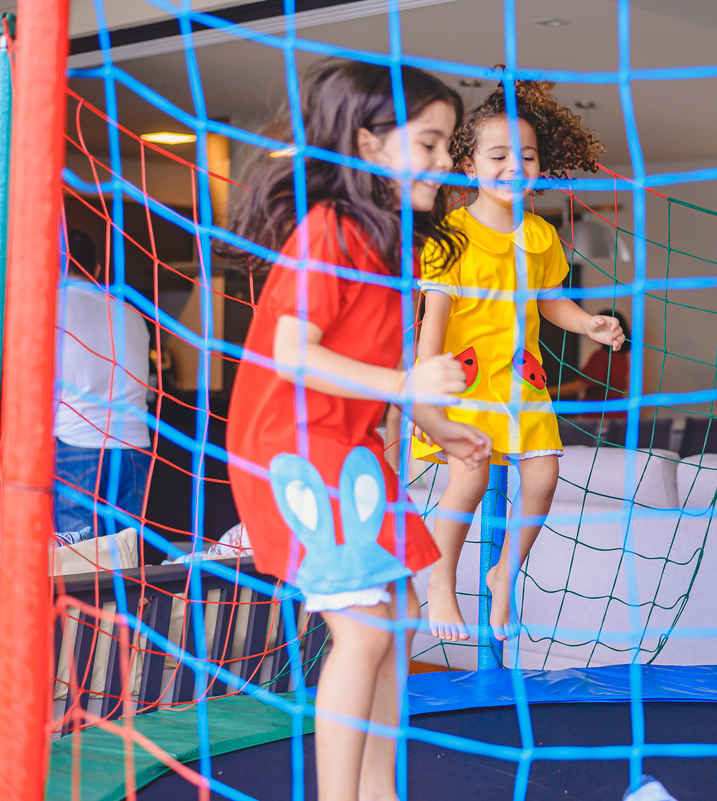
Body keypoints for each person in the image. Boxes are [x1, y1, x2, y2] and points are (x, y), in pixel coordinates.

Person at [221, 60, 490, 801]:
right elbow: (292, 352)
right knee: (366, 630)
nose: (445, 161)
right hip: (293, 448)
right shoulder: (330, 229)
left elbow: (381, 361)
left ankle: (379, 791)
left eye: (447, 145)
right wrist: (407, 388)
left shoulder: (392, 243)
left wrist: (435, 421)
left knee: (399, 622)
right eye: (428, 143)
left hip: (350, 447)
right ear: (369, 145)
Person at [413, 79, 624, 642]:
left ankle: (505, 572)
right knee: (470, 475)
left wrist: (588, 324)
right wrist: (425, 391)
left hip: (521, 380)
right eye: (499, 155)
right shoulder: (450, 237)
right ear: (468, 165)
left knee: (544, 475)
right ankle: (441, 582)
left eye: (526, 156)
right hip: (464, 380)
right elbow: (434, 318)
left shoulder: (542, 236)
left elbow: (551, 302)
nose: (514, 167)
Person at [53, 227, 152, 538]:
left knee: (79, 557)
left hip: (77, 443)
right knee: (126, 553)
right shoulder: (131, 312)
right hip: (135, 447)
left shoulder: (51, 305)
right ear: (96, 269)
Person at [554, 308, 630, 418]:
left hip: (598, 416)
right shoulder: (622, 357)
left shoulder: (600, 356)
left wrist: (547, 391)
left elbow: (578, 387)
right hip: (619, 414)